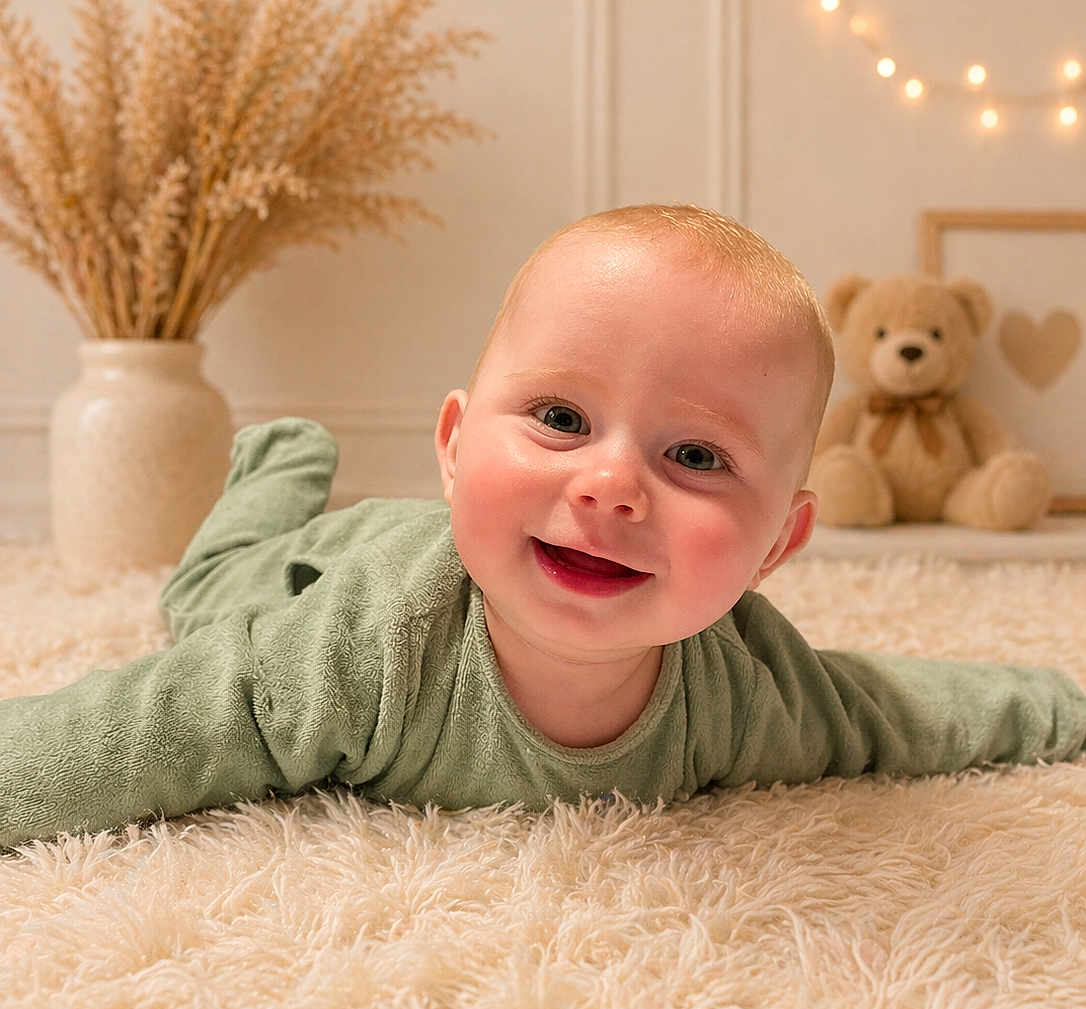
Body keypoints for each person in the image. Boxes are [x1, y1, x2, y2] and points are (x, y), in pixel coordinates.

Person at [1, 204, 1083, 851]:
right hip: (321, 572)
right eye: (561, 419)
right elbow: (138, 732)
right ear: (457, 444)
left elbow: (903, 712)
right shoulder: (354, 651)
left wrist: (1064, 703)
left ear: (774, 550)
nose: (612, 484)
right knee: (202, 600)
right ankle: (275, 476)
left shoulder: (750, 693)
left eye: (696, 457)